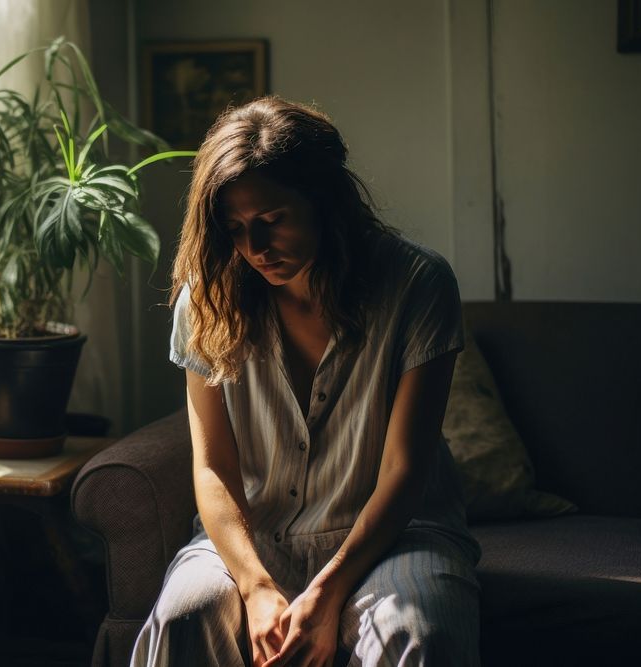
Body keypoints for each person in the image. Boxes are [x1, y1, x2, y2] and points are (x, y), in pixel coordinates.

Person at [128, 96, 483, 667]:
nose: (254, 249)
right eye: (236, 229)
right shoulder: (207, 300)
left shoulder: (417, 283)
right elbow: (213, 467)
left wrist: (328, 591)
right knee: (184, 615)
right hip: (251, 540)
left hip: (395, 534)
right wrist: (254, 585)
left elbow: (405, 468)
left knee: (417, 631)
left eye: (272, 221)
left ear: (326, 201)